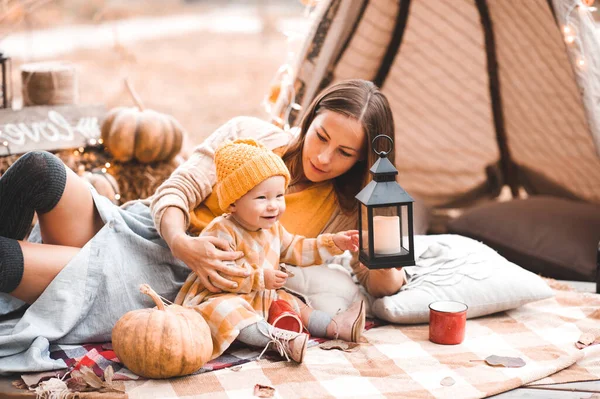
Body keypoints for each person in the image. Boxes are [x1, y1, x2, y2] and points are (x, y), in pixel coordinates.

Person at [0, 79, 406, 372]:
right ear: (313, 115)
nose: (323, 157)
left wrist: (383, 247)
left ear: (362, 159)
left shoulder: (348, 209)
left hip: (174, 282)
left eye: (344, 152)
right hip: (153, 232)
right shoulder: (249, 135)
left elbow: (380, 284)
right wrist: (181, 241)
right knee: (40, 168)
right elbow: (175, 190)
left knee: (7, 259)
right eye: (321, 136)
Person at [177, 138, 365, 363]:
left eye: (279, 196)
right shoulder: (222, 230)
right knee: (228, 310)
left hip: (262, 298)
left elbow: (298, 248)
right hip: (222, 297)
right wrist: (260, 277)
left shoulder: (273, 229)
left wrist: (333, 243)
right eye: (262, 198)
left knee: (295, 303)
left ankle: (335, 327)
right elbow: (222, 275)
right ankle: (279, 341)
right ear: (233, 203)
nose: (273, 205)